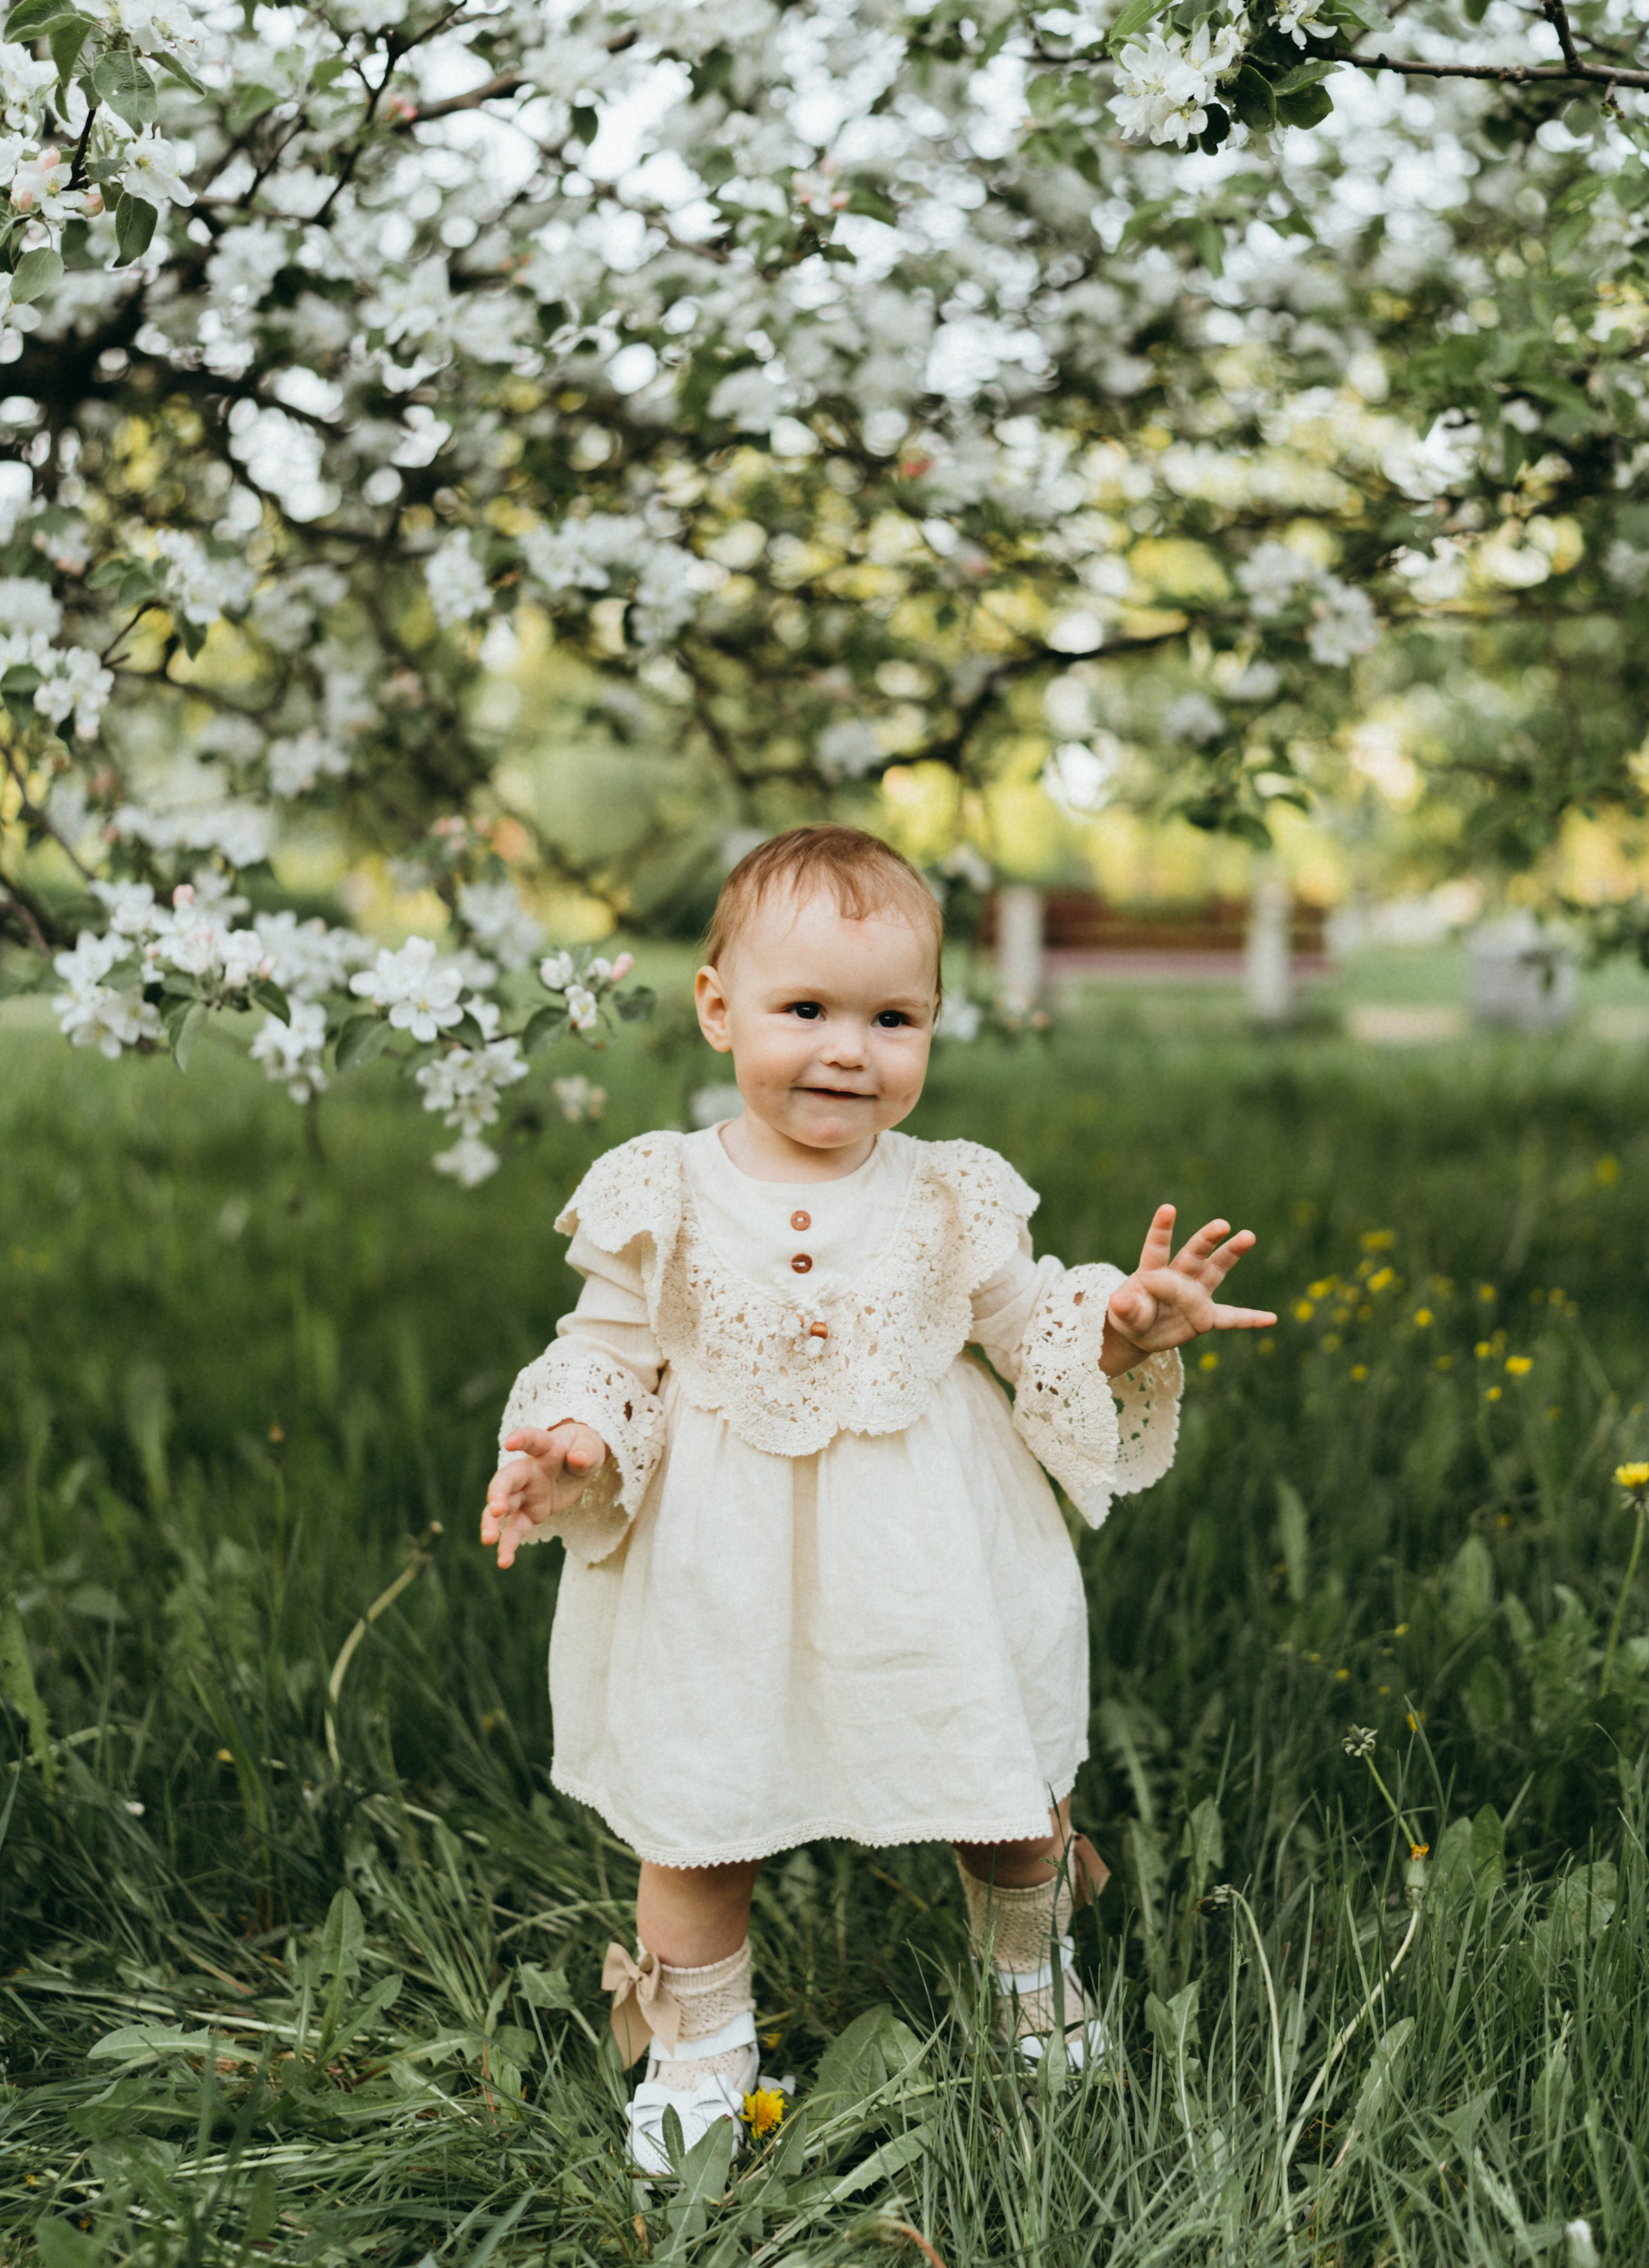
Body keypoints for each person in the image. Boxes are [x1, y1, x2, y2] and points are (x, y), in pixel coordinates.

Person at [481, 825, 1275, 2171]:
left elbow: (1030, 1331)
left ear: (932, 1027)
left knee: (993, 1773)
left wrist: (1126, 1325)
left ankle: (1028, 1981)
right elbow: (604, 1348)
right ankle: (696, 2044)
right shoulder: (660, 1189)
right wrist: (564, 1441)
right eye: (805, 1011)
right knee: (700, 1806)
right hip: (716, 1569)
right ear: (717, 1008)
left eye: (891, 1017)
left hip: (931, 1553)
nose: (848, 1050)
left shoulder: (950, 1194)